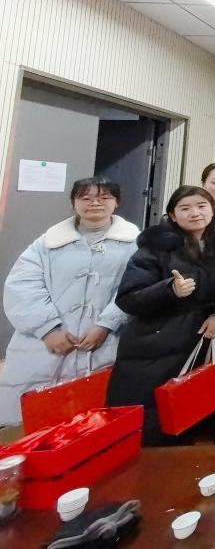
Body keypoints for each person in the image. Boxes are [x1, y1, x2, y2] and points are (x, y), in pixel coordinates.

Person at [0, 177, 140, 427]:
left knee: (94, 422)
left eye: (104, 197)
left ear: (117, 202)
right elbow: (22, 286)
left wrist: (105, 325)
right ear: (73, 202)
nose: (95, 203)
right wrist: (47, 329)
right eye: (85, 198)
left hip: (105, 342)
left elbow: (136, 289)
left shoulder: (136, 245)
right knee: (31, 422)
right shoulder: (47, 243)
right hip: (44, 345)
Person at [106, 186, 215, 445]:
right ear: (173, 215)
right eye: (185, 208)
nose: (195, 213)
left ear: (213, 210)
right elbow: (128, 298)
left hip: (201, 340)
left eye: (201, 206)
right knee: (153, 421)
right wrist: (170, 290)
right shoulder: (155, 247)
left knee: (192, 416)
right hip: (156, 343)